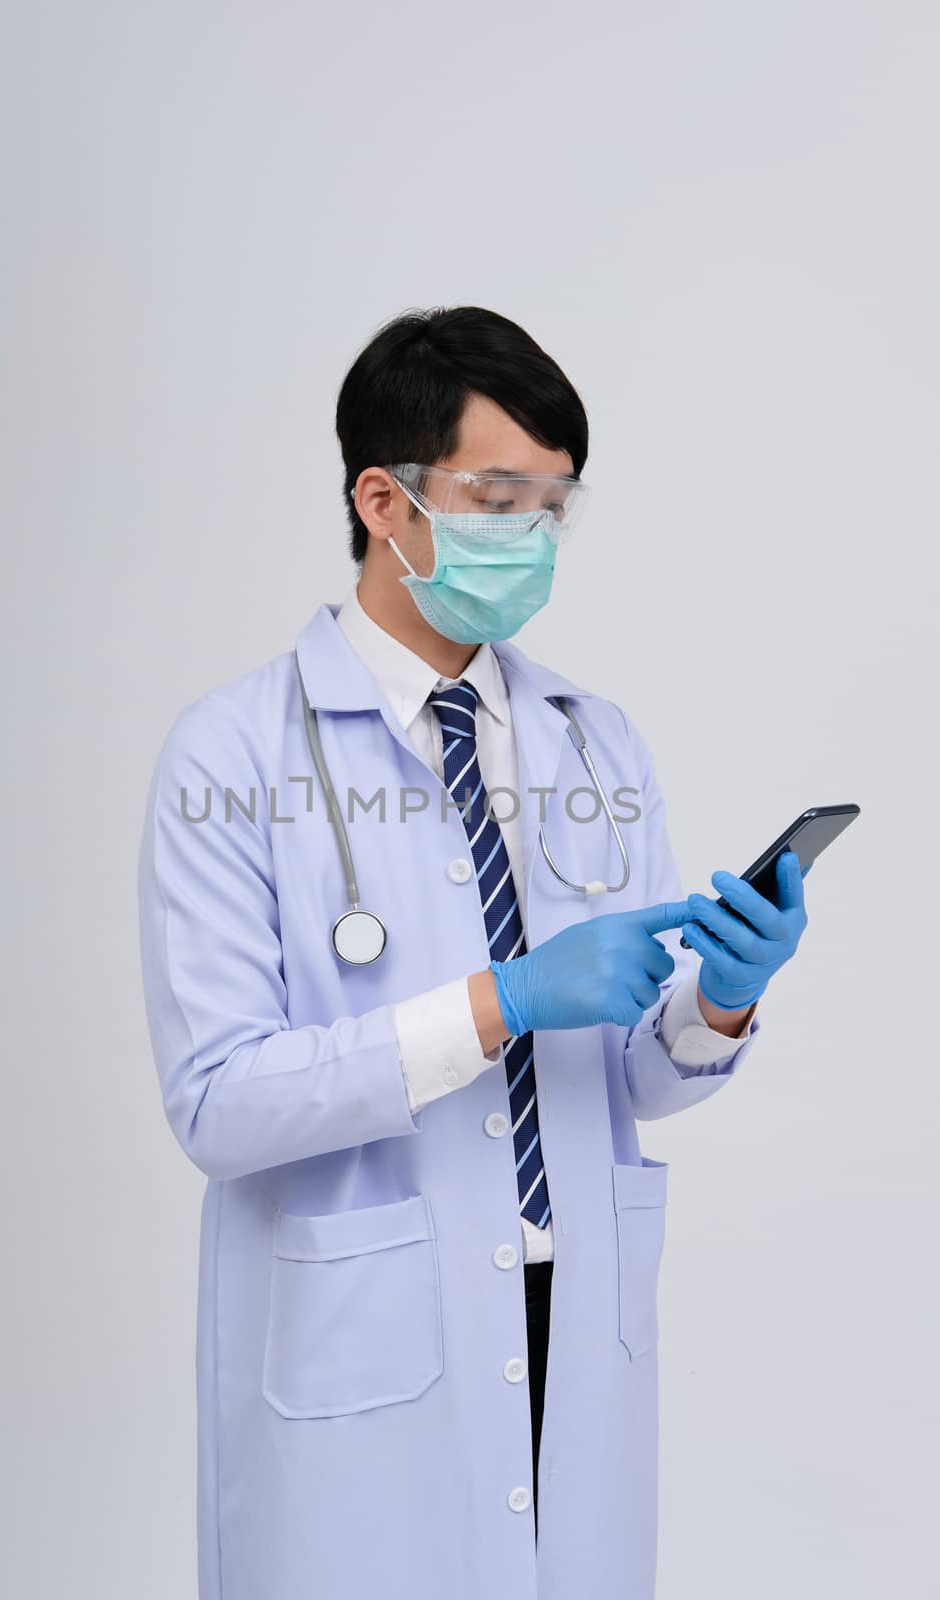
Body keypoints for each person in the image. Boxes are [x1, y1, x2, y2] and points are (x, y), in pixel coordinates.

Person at [137, 305, 808, 1600]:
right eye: (499, 497)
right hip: (373, 1334)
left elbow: (637, 1078)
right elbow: (219, 1101)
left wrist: (719, 1001)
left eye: (554, 504)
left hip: (572, 1324)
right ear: (384, 502)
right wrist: (497, 1004)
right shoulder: (233, 756)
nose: (534, 535)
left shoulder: (592, 742)